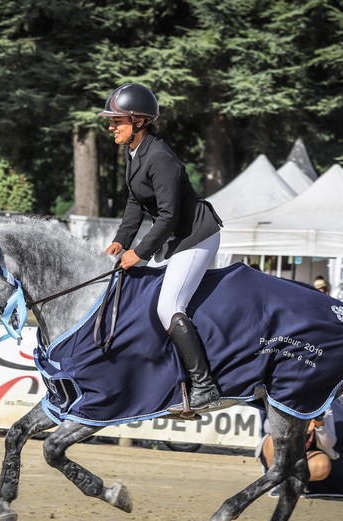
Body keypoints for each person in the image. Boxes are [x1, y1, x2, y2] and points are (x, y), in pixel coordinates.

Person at [97, 82, 223, 413]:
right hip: (173, 239)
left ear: (139, 121)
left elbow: (168, 216)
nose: (111, 127)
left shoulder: (161, 157)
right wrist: (120, 241)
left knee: (168, 306)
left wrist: (138, 253)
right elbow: (135, 203)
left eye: (117, 121)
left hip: (196, 237)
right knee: (142, 301)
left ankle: (205, 387)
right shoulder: (135, 152)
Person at [256, 408, 339, 482]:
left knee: (322, 465)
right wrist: (298, 424)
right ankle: (275, 481)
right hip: (282, 448)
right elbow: (268, 427)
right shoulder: (285, 399)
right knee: (273, 441)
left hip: (305, 453)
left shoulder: (325, 405)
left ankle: (294, 484)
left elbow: (329, 444)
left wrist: (319, 425)